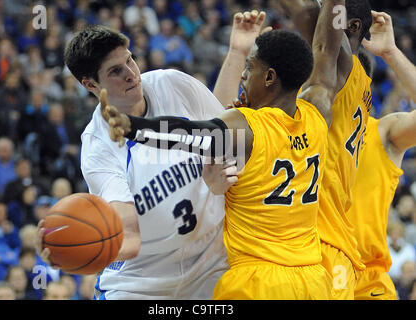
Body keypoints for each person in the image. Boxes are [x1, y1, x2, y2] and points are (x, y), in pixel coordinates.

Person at [101, 0, 345, 299]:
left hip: (257, 281)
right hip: (313, 279)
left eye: (249, 68)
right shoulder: (318, 110)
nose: (243, 75)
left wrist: (133, 126)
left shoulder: (248, 126)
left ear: (269, 78)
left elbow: (190, 133)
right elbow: (327, 52)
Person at [37, 21, 234, 299]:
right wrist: (68, 250)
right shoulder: (97, 148)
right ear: (90, 84)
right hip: (143, 275)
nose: (131, 74)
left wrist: (237, 52)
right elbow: (128, 236)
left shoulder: (173, 83)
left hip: (212, 258)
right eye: (116, 71)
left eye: (130, 61)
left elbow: (224, 130)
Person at [215, 0, 373, 299]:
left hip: (314, 246)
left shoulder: (340, 68)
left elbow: (309, 15)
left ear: (349, 26)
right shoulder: (358, 86)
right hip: (321, 245)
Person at [344, 11, 416, 300]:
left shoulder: (383, 132)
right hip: (310, 272)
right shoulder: (300, 131)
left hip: (366, 279)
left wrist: (391, 53)